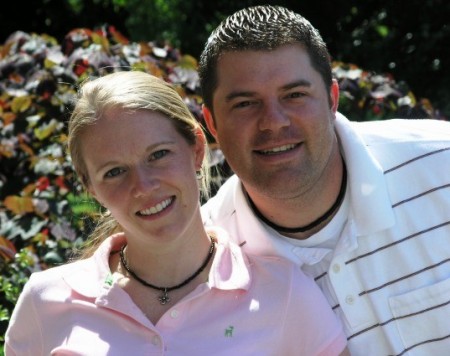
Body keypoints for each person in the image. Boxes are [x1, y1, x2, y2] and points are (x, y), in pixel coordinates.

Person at [5, 70, 348, 355]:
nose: (144, 185)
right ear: (90, 187)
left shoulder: (284, 292)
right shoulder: (44, 301)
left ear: (197, 149)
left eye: (158, 155)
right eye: (114, 172)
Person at [199, 5, 450, 356]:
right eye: (245, 104)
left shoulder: (443, 163)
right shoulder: (199, 262)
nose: (273, 122)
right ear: (211, 123)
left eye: (294, 95)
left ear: (332, 99)